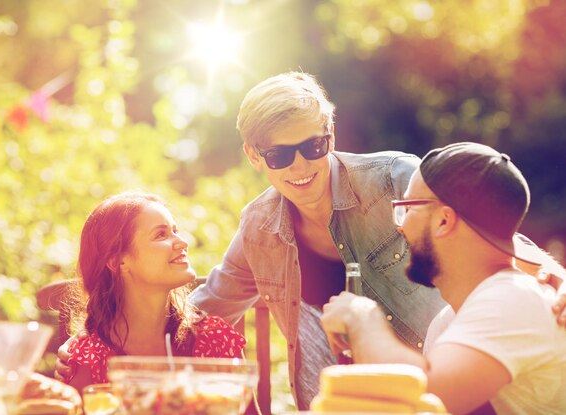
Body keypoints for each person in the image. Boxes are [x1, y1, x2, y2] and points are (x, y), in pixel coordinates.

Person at [187, 72, 447, 409]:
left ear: (331, 138)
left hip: (434, 397)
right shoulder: (259, 228)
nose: (299, 166)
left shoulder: (395, 181)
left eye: (312, 147)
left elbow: (488, 246)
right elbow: (206, 307)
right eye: (279, 156)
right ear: (253, 156)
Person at [321, 142, 566, 414]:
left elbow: (425, 397)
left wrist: (361, 316)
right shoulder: (447, 324)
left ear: (444, 220)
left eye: (408, 208)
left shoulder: (513, 299)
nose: (400, 226)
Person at [63, 191, 245, 390]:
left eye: (175, 231)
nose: (183, 243)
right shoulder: (90, 357)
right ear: (118, 261)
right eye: (161, 235)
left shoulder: (214, 338)